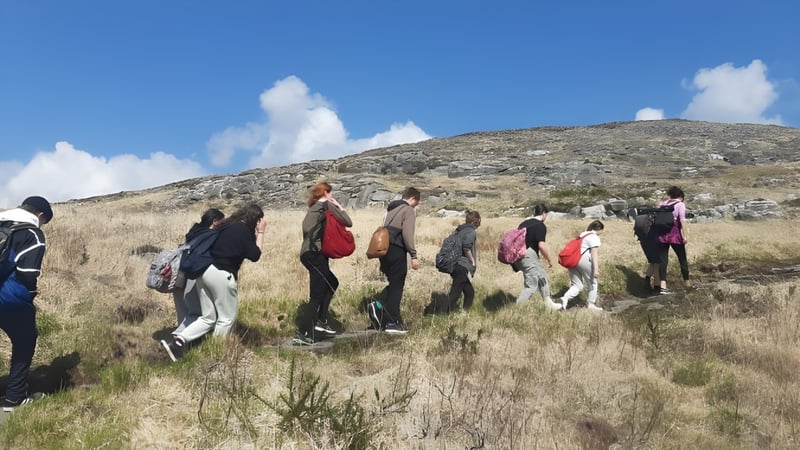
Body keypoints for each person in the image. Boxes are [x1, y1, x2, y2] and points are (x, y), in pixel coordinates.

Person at [161, 203, 265, 361]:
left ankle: (178, 342)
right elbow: (255, 255)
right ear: (256, 219)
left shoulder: (227, 226)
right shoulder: (243, 231)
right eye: (260, 220)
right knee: (226, 318)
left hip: (205, 271)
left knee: (208, 318)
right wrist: (261, 232)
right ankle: (215, 356)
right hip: (222, 274)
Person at [0, 196, 53, 411]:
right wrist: (30, 295)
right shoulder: (32, 233)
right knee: (25, 339)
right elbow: (28, 274)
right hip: (9, 297)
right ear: (40, 215)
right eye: (44, 221)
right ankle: (15, 397)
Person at [294, 183, 353, 345]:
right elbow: (348, 222)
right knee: (316, 295)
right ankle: (303, 332)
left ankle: (320, 321)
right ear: (326, 193)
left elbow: (307, 231)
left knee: (332, 282)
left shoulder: (312, 209)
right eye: (331, 193)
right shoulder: (326, 205)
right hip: (316, 254)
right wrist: (338, 205)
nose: (332, 195)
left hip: (307, 253)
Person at [367, 187, 421, 334]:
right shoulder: (408, 210)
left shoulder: (390, 210)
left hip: (384, 251)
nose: (416, 206)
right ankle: (393, 322)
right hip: (397, 250)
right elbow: (407, 234)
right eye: (416, 203)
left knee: (394, 283)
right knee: (398, 286)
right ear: (413, 199)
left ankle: (378, 304)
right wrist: (413, 255)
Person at [173, 208, 225, 333]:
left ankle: (183, 346)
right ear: (215, 221)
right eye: (222, 222)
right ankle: (180, 339)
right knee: (197, 312)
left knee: (183, 312)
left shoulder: (194, 233)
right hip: (194, 275)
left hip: (180, 275)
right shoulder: (211, 236)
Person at [512, 204, 561, 310]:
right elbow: (541, 245)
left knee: (541, 276)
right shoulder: (540, 225)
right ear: (544, 213)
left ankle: (548, 302)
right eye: (546, 215)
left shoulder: (524, 223)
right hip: (528, 256)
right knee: (531, 285)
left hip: (518, 256)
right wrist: (549, 259)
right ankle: (517, 309)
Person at [560, 220, 605, 311]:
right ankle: (591, 304)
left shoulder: (583, 235)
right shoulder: (594, 237)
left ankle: (565, 298)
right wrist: (596, 269)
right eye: (601, 232)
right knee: (593, 282)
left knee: (577, 285)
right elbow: (594, 254)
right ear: (599, 229)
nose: (600, 234)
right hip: (582, 259)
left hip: (573, 260)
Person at [656, 186, 689, 294]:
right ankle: (687, 283)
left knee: (663, 260)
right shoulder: (680, 205)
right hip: (674, 233)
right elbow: (682, 221)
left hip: (661, 233)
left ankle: (663, 286)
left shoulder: (663, 204)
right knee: (682, 258)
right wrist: (685, 236)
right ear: (681, 197)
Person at [446, 210, 481, 312]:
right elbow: (466, 248)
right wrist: (472, 261)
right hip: (461, 265)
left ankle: (464, 313)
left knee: (469, 292)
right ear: (477, 220)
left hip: (453, 263)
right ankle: (446, 313)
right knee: (455, 293)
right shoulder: (471, 232)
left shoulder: (459, 230)